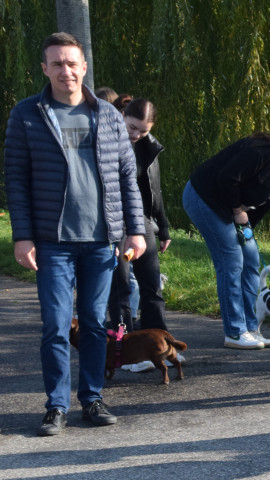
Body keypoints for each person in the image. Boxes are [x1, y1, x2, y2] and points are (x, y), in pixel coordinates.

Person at [5, 32, 146, 436]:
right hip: (52, 242)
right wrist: (23, 236)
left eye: (72, 63)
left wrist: (134, 230)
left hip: (101, 240)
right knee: (54, 324)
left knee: (95, 323)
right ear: (45, 69)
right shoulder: (27, 114)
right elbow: (16, 179)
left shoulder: (107, 115)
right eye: (57, 64)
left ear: (83, 68)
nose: (65, 70)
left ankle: (92, 398)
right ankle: (55, 405)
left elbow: (126, 177)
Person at [182, 132, 270, 349]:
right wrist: (238, 211)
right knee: (232, 261)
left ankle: (250, 328)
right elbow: (227, 177)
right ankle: (234, 331)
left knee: (251, 260)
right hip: (205, 198)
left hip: (233, 210)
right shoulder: (266, 153)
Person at [107, 98, 173, 342]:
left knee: (151, 286)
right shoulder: (107, 141)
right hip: (115, 222)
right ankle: (125, 344)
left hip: (142, 220)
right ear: (122, 115)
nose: (136, 134)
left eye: (144, 130)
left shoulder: (149, 147)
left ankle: (159, 340)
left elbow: (155, 190)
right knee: (121, 287)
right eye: (132, 127)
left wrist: (163, 227)